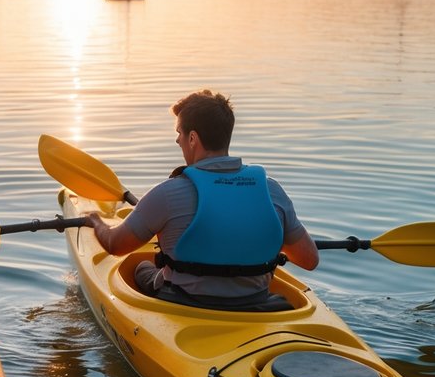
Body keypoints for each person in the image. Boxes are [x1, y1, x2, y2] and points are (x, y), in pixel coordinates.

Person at [85, 90, 319, 311]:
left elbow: (115, 245)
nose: (178, 141)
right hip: (255, 304)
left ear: (193, 138)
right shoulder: (272, 191)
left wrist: (95, 222)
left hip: (183, 304)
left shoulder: (167, 194)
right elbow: (309, 259)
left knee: (141, 267)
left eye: (179, 133)